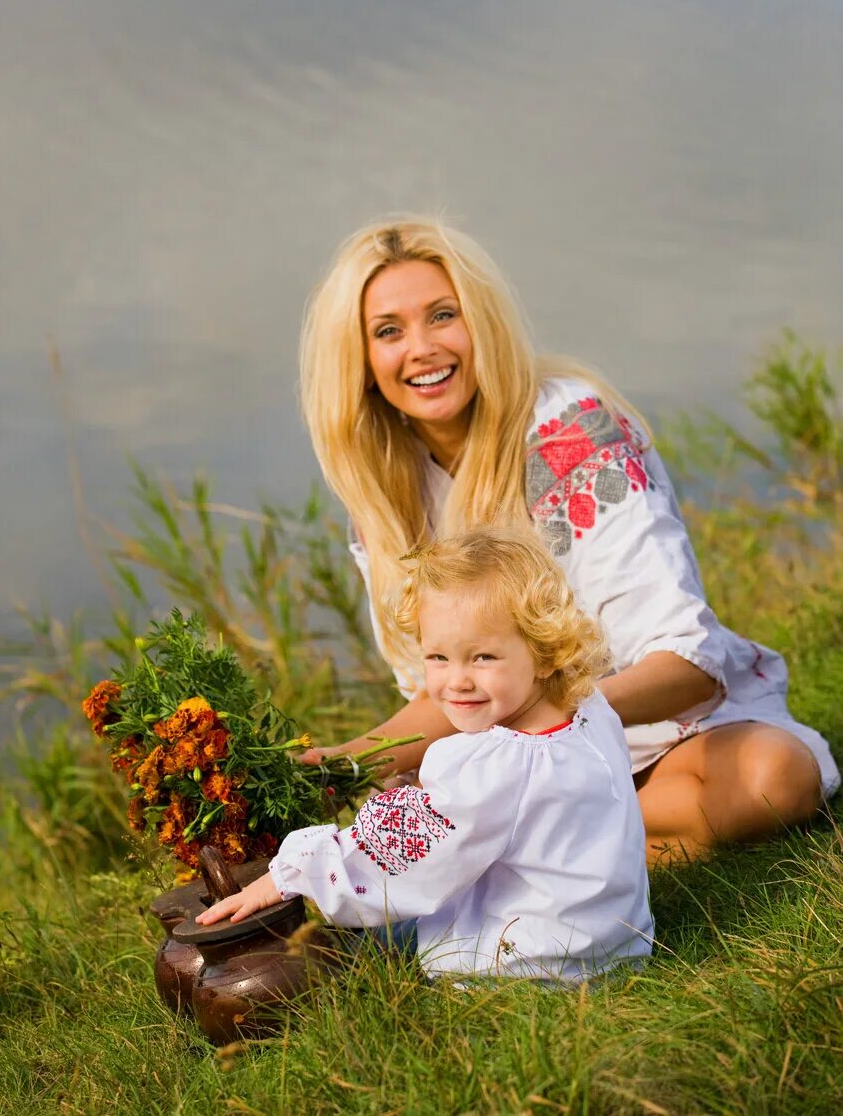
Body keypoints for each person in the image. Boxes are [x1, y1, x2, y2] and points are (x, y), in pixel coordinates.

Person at [296, 218, 839, 866]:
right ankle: (563, 852)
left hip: (660, 734)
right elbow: (443, 697)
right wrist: (344, 764)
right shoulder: (384, 493)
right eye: (388, 331)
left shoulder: (569, 431)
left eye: (444, 315)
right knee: (387, 820)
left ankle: (524, 855)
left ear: (483, 324)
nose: (421, 348)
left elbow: (688, 667)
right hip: (511, 760)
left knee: (774, 777)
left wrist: (538, 720)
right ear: (359, 363)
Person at [197, 528, 654, 983]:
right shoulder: (590, 712)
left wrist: (289, 874)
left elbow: (394, 863)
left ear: (545, 652)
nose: (457, 681)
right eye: (437, 657)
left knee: (338, 948)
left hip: (525, 968)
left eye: (483, 658)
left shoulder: (491, 767)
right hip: (608, 947)